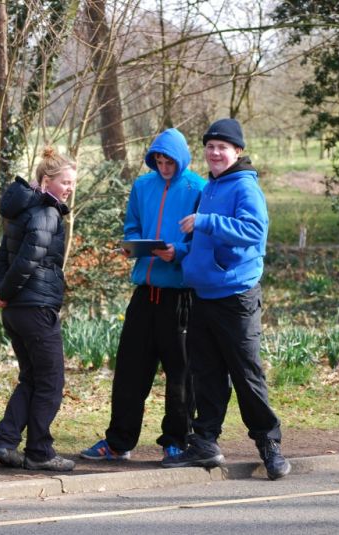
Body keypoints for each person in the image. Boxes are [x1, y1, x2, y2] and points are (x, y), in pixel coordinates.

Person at [161, 118, 291, 480]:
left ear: (237, 151)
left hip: (236, 297)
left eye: (222, 147)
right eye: (210, 147)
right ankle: (206, 442)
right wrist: (181, 252)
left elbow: (253, 233)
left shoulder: (245, 188)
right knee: (207, 375)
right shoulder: (212, 187)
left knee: (246, 374)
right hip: (203, 295)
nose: (215, 153)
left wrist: (205, 222)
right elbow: (206, 240)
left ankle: (270, 447)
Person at [79, 128, 204, 462]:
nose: (163, 167)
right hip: (144, 293)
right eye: (158, 161)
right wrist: (132, 245)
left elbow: (203, 243)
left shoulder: (199, 188)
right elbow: (132, 227)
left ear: (182, 159)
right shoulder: (141, 186)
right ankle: (118, 443)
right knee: (130, 372)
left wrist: (177, 251)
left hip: (180, 296)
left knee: (181, 374)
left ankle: (176, 442)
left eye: (169, 162)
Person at [0, 146, 77, 472]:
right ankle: (40, 451)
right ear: (45, 180)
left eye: (71, 183)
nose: (69, 188)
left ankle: (6, 442)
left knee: (32, 378)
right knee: (50, 382)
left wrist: (1, 293)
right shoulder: (46, 214)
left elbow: (3, 257)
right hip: (36, 309)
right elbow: (27, 262)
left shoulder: (22, 211)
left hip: (17, 311)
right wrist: (5, 293)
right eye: (64, 182)